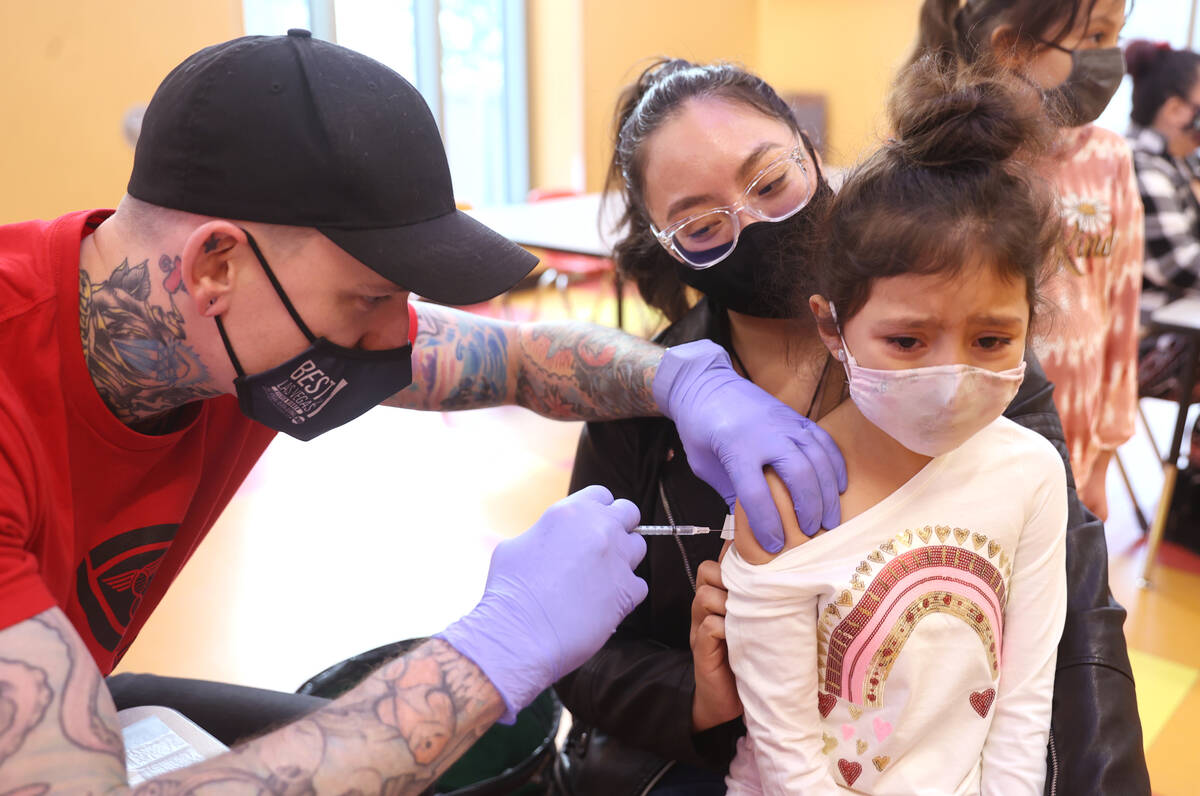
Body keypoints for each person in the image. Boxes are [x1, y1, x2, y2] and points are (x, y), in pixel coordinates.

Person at [0, 31, 847, 792]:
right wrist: (495, 648)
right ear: (216, 263)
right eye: (367, 298)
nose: (390, 334)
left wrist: (680, 384)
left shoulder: (224, 330)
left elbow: (517, 358)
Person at [557, 50, 1149, 796]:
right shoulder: (641, 408)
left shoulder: (963, 364)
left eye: (770, 181)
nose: (753, 221)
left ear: (811, 154)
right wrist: (698, 694)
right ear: (664, 244)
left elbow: (1072, 605)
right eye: (702, 223)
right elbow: (578, 647)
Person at [723, 56, 1067, 794]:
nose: (950, 379)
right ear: (832, 326)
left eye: (992, 340)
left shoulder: (1032, 475)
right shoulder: (780, 500)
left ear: (1031, 327)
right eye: (908, 341)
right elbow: (785, 755)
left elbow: (1023, 704)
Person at [915, 0, 1144, 523]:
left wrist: (1104, 457)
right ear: (1012, 48)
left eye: (1116, 37)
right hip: (974, 435)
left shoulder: (1110, 158)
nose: (1112, 59)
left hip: (1077, 426)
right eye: (1094, 38)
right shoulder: (956, 154)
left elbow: (1122, 307)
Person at [1125, 39, 1200, 300]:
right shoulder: (1139, 164)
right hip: (1155, 327)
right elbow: (1178, 265)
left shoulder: (1181, 160)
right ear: (1175, 109)